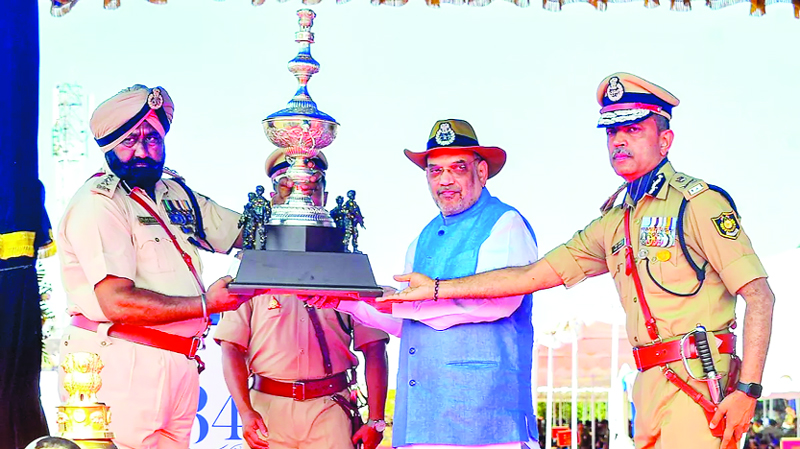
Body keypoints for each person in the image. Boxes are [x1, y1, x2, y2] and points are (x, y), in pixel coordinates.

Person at [385, 74, 775, 449]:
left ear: (665, 140)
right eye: (612, 132)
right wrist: (438, 289)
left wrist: (748, 390)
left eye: (634, 130)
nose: (619, 141)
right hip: (649, 382)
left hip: (698, 378)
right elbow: (531, 276)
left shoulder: (698, 204)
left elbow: (759, 295)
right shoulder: (614, 220)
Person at [312, 119, 540, 449]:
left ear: (481, 172)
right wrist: (342, 301)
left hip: (486, 421)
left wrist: (412, 303)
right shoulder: (422, 239)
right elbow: (406, 323)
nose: (444, 180)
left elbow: (501, 300)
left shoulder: (505, 223)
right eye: (435, 171)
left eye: (457, 168)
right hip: (421, 418)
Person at [57, 84, 250, 449]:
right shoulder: (99, 202)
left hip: (179, 362)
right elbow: (117, 302)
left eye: (154, 138)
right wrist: (207, 306)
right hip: (119, 362)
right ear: (109, 144)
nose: (144, 151)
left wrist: (292, 203)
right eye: (130, 140)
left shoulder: (173, 192)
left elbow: (246, 233)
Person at [214, 149, 390, 449]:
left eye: (311, 187)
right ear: (272, 195)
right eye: (288, 185)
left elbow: (373, 346)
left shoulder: (346, 264)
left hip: (330, 408)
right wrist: (245, 412)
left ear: (323, 195)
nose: (300, 193)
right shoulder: (250, 264)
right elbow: (232, 346)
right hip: (269, 409)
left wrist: (375, 418)